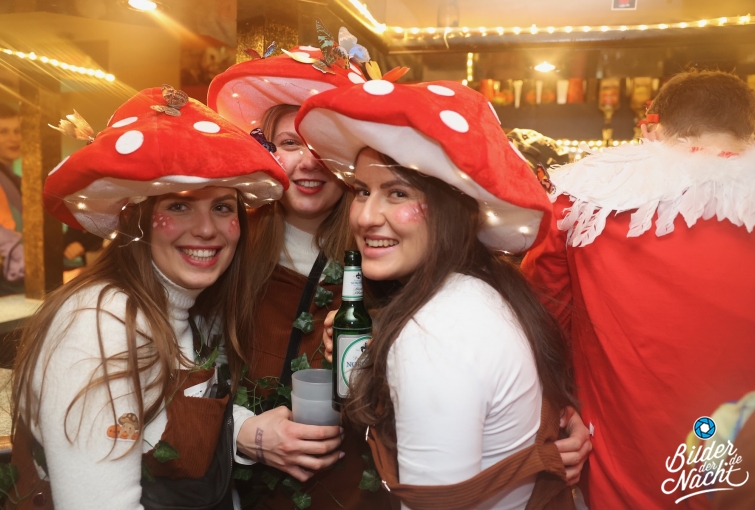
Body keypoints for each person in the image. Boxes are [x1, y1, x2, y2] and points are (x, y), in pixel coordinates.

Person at [298, 79, 584, 509]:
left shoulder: (434, 334)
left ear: (452, 209)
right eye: (362, 191)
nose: (367, 217)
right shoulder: (479, 288)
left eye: (398, 193)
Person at [9, 86, 288, 510]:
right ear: (136, 219)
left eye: (222, 207)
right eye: (179, 206)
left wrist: (245, 429)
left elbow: (163, 423)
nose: (207, 229)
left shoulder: (193, 309)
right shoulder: (100, 324)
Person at [520, 70, 755, 509]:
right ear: (748, 131)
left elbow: (540, 321)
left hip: (626, 476)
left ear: (652, 128)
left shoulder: (587, 200)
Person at [208, 36, 393, 509]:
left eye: (323, 146)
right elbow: (179, 371)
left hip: (355, 490)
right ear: (266, 149)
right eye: (290, 143)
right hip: (246, 488)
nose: (309, 161)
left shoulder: (384, 251)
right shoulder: (224, 242)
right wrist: (243, 433)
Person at [0, 103, 23, 295]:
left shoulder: (15, 179)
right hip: (10, 275)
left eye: (17, 131)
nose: (14, 138)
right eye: (3, 131)